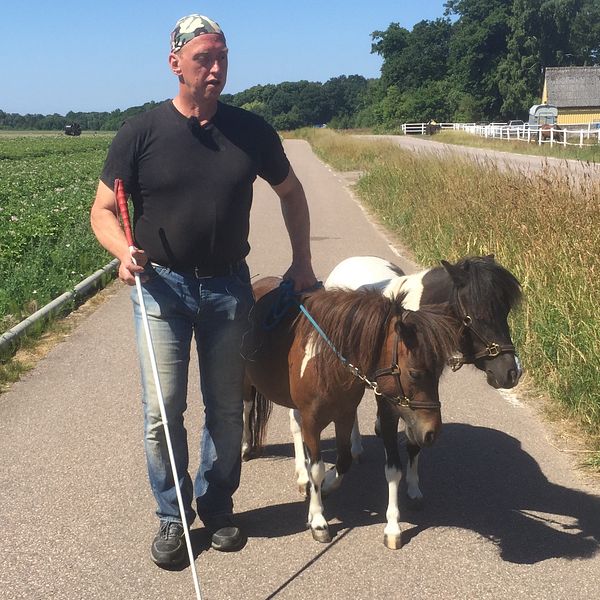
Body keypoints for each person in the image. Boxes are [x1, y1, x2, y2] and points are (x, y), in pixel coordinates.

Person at [90, 13, 317, 567]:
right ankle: (172, 516)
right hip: (159, 290)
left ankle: (217, 508)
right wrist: (123, 252)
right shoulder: (139, 132)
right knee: (162, 412)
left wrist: (303, 263)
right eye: (203, 59)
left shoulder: (252, 131)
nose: (215, 70)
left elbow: (291, 193)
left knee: (225, 409)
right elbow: (101, 212)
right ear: (175, 64)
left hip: (227, 290)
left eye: (221, 58)